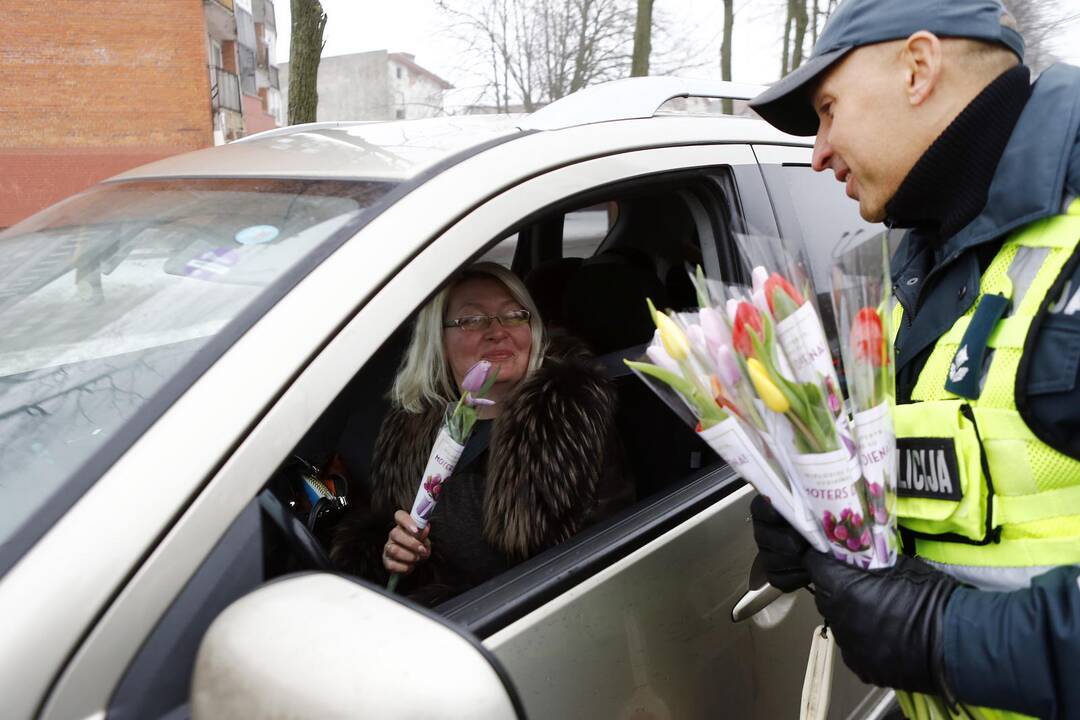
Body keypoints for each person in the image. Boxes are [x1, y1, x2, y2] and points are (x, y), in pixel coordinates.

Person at [746, 0, 1080, 718]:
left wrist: (942, 637)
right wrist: (826, 516)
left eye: (828, 109)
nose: (819, 151)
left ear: (919, 66)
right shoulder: (925, 266)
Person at [330, 262, 630, 604]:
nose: (497, 331)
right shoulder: (409, 428)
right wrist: (398, 557)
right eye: (472, 320)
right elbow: (384, 539)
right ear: (439, 341)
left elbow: (606, 554)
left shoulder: (571, 420)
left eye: (515, 315)